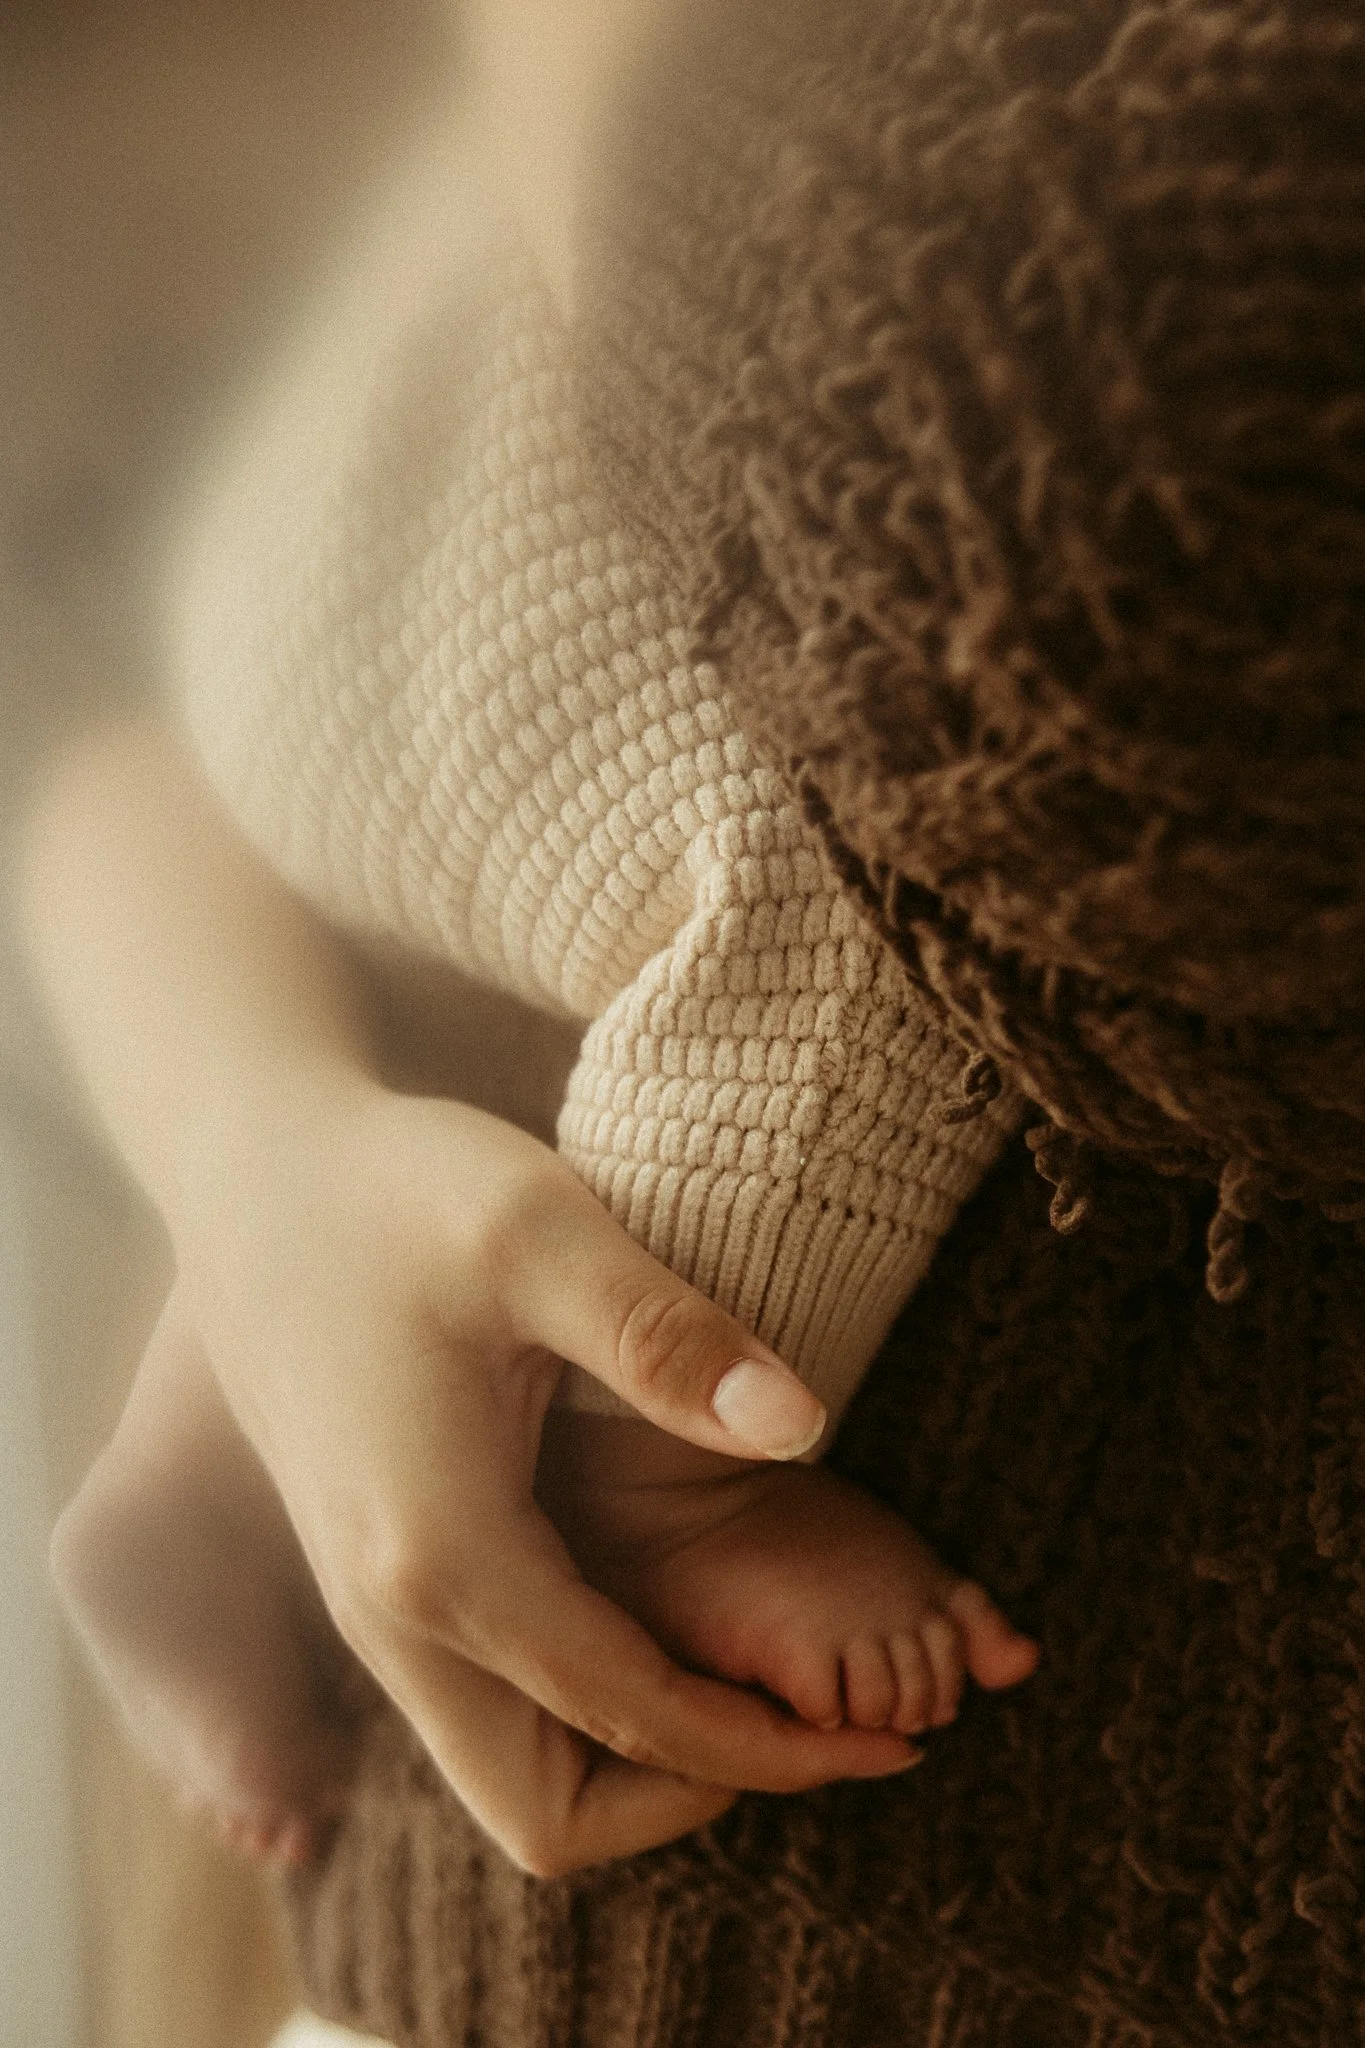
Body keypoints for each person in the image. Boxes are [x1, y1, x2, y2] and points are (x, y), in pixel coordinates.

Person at [256, 1, 1365, 2045]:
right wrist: (241, 1144)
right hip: (443, 468)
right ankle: (666, 1477)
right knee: (830, 878)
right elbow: (1092, 546)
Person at [20, 22, 1038, 1875]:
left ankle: (195, 1463)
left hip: (331, 517)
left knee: (498, 952)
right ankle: (664, 1489)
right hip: (448, 481)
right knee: (899, 793)